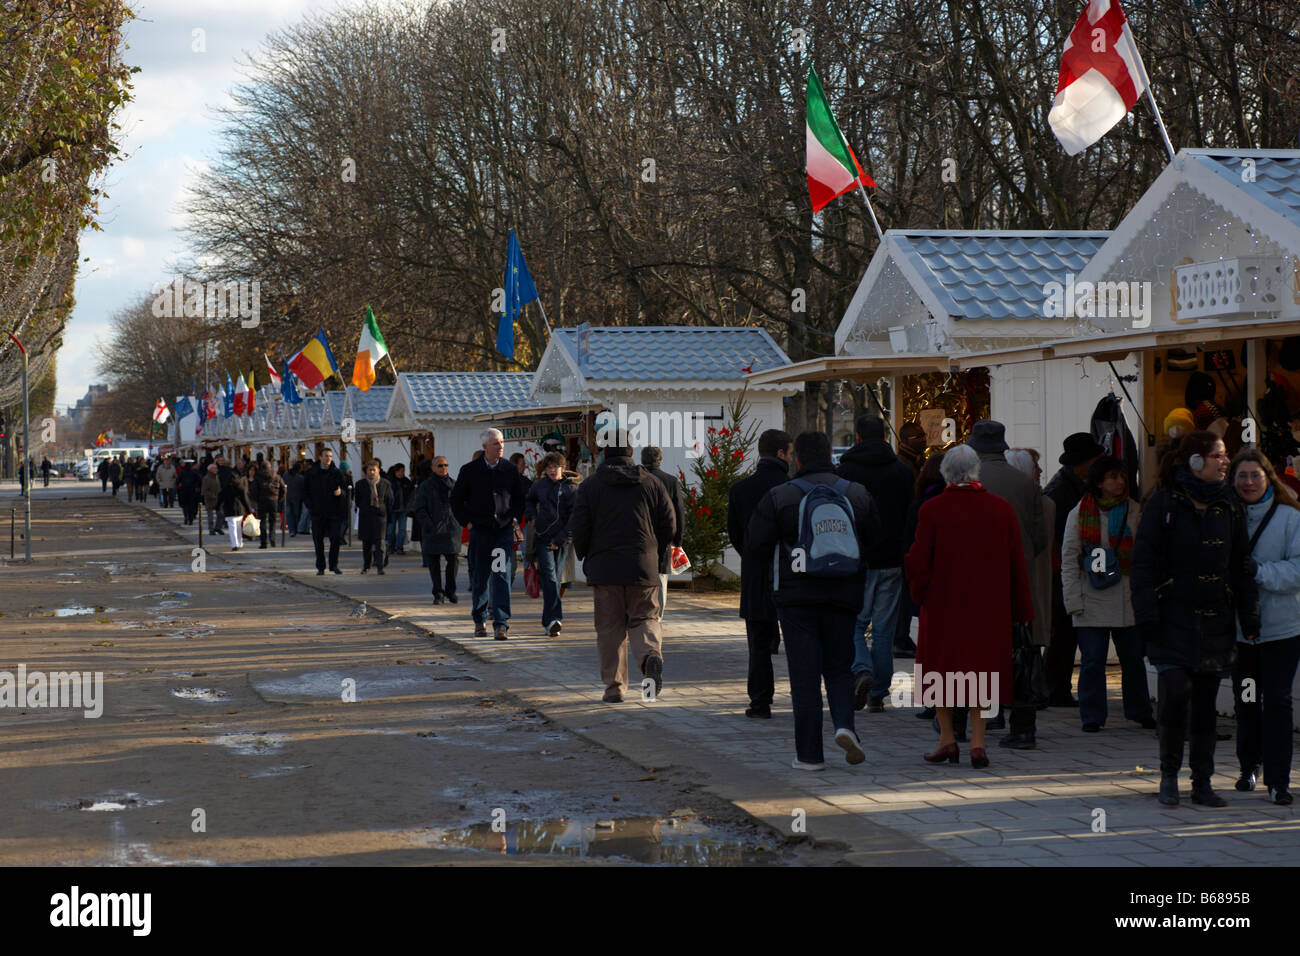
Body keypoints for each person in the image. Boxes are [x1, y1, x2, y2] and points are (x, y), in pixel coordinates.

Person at [1132, 431, 1260, 807]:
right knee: (1175, 694)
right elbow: (1143, 566)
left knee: (1205, 703)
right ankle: (1169, 773)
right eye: (1218, 455)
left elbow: (1240, 566)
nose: (1225, 461)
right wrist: (1147, 615)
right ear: (1194, 461)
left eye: (1226, 455)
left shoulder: (1228, 504)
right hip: (1171, 617)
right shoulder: (1164, 502)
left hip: (1214, 620)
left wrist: (1248, 614)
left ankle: (1202, 781)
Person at [746, 431, 877, 769]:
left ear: (797, 458)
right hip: (845, 594)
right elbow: (875, 541)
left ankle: (809, 756)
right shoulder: (856, 494)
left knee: (805, 676)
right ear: (830, 455)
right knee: (839, 666)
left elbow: (755, 547)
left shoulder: (781, 495)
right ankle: (846, 725)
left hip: (796, 598)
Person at [905, 444, 1032, 770]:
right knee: (980, 672)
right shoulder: (1001, 509)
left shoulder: (932, 509)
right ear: (976, 471)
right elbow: (1017, 563)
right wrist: (1021, 609)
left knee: (942, 671)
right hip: (989, 605)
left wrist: (919, 593)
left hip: (943, 603)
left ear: (947, 473)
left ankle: (947, 738)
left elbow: (919, 561)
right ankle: (978, 742)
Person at [570, 434, 675, 703]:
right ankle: (650, 656)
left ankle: (615, 688)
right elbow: (669, 524)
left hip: (605, 568)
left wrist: (585, 554)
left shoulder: (591, 485)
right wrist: (655, 552)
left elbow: (580, 526)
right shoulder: (652, 483)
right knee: (645, 619)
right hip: (643, 566)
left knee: (610, 628)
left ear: (605, 452)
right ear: (631, 451)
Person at [968, 420, 1047, 749]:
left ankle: (973, 720)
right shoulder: (1026, 483)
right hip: (1018, 579)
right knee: (1021, 652)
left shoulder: (968, 481)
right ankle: (1023, 726)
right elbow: (1040, 537)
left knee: (977, 652)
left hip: (976, 583)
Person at [1060, 455, 1154, 732]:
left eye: (1122, 476)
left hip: (1127, 598)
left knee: (1133, 659)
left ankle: (1139, 711)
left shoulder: (1134, 511)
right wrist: (1073, 600)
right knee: (1092, 661)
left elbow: (1145, 555)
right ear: (1099, 482)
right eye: (1113, 477)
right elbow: (1069, 559)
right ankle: (1092, 716)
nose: (1120, 482)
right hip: (1091, 597)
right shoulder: (1079, 513)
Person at [1229, 448, 1300, 804]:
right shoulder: (1224, 515)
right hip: (1240, 633)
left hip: (1282, 631)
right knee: (1246, 700)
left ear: (1268, 477)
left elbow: (1298, 571)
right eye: (1241, 476)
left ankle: (1279, 779)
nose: (1248, 482)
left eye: (1255, 475)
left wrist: (1259, 572)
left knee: (1276, 701)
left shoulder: (1290, 518)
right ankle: (1248, 766)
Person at [836, 413, 914, 713]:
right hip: (892, 559)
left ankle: (861, 668)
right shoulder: (903, 471)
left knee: (855, 623)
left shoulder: (846, 471)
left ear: (857, 437)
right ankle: (878, 692)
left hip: (858, 558)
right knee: (883, 629)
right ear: (885, 437)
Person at [726, 428, 792, 718]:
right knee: (801, 638)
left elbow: (735, 533)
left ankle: (760, 701)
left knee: (758, 643)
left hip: (755, 572)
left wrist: (752, 555)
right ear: (781, 454)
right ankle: (806, 699)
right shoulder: (793, 486)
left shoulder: (740, 489)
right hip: (792, 573)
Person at [1044, 433, 1105, 708]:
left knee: (1064, 633)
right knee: (1063, 632)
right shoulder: (1062, 491)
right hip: (1064, 571)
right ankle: (1055, 688)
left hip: (1065, 570)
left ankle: (1055, 687)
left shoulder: (1068, 485)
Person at [451, 429, 529, 639]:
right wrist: (467, 522)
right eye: (496, 443)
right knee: (481, 577)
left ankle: (501, 623)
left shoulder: (509, 469)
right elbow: (457, 500)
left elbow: (520, 498)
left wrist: (513, 517)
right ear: (485, 447)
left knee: (501, 576)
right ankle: (480, 620)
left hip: (501, 533)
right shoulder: (470, 470)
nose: (500, 447)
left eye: (502, 442)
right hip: (480, 533)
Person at [901, 451, 946, 722]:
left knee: (930, 649)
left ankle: (935, 702)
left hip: (929, 587)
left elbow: (912, 547)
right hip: (955, 586)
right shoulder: (952, 502)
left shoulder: (921, 505)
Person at [525, 452, 580, 635]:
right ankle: (555, 619)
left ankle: (549, 622)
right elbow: (529, 500)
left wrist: (561, 539)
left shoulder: (571, 488)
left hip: (562, 540)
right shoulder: (539, 485)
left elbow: (575, 518)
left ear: (562, 468)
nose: (552, 470)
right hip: (542, 537)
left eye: (555, 467)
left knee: (555, 580)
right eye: (548, 467)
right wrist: (532, 516)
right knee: (548, 578)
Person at [641, 446, 685, 620]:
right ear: (660, 459)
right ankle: (658, 616)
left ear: (642, 459)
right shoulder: (671, 481)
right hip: (664, 537)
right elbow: (679, 512)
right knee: (661, 579)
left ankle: (644, 614)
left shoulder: (638, 479)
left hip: (641, 535)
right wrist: (678, 541)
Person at [412, 455, 461, 603]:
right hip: (432, 529)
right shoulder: (425, 486)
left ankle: (450, 591)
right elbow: (419, 508)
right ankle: (438, 592)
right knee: (434, 563)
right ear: (433, 468)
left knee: (453, 561)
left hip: (451, 529)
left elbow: (461, 505)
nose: (444, 468)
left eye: (446, 465)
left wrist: (460, 520)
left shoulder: (454, 484)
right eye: (440, 465)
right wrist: (428, 524)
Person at [305, 448, 347, 575]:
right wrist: (311, 507)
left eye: (330, 456)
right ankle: (320, 567)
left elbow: (347, 490)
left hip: (333, 513)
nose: (328, 458)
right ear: (320, 457)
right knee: (318, 541)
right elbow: (305, 493)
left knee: (335, 539)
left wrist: (341, 493)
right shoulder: (311, 473)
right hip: (317, 513)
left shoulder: (337, 473)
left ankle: (334, 565)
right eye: (326, 456)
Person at [355, 459, 393, 573]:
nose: (371, 472)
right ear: (366, 471)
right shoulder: (360, 484)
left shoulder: (385, 483)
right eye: (369, 470)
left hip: (380, 516)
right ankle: (366, 565)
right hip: (366, 516)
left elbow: (389, 500)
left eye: (374, 470)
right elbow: (357, 500)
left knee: (380, 542)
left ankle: (380, 566)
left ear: (378, 470)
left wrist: (387, 514)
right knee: (366, 543)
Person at [220, 462, 254, 550]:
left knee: (232, 527)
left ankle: (235, 544)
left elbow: (220, 499)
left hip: (229, 510)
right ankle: (239, 542)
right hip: (239, 510)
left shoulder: (225, 488)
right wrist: (249, 510)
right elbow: (245, 499)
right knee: (238, 527)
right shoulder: (240, 487)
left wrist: (217, 507)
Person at [252, 458, 285, 549]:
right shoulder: (277, 476)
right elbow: (283, 488)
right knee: (273, 521)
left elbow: (254, 489)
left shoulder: (258, 476)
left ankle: (264, 542)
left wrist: (256, 499)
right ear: (270, 467)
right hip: (273, 500)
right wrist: (279, 498)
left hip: (262, 501)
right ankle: (272, 538)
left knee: (262, 522)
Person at [386, 463, 413, 556]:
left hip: (403, 509)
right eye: (399, 471)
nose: (401, 473)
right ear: (395, 471)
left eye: (403, 471)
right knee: (390, 530)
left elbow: (410, 495)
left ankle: (399, 547)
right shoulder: (390, 481)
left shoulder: (406, 482)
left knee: (402, 529)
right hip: (392, 509)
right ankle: (390, 546)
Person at [285, 462, 306, 537]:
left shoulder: (286, 475)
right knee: (296, 514)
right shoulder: (300, 478)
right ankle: (295, 529)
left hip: (287, 497)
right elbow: (303, 488)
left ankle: (292, 530)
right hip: (297, 498)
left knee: (289, 514)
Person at [201, 463, 222, 534]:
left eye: (216, 468)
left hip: (218, 498)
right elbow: (204, 490)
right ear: (210, 470)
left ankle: (218, 527)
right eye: (215, 468)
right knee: (210, 516)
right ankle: (211, 529)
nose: (216, 469)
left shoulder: (217, 477)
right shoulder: (206, 478)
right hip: (209, 499)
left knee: (220, 514)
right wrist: (212, 495)